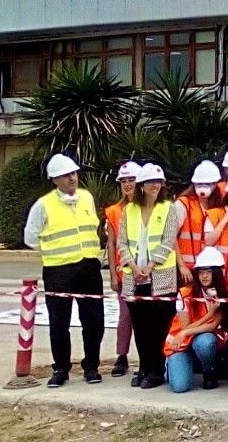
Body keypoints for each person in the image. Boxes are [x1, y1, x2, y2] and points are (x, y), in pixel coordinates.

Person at [24, 153, 105, 387]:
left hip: (89, 267)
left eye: (74, 173)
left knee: (94, 321)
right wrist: (54, 250)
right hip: (58, 270)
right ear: (55, 180)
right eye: (66, 175)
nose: (72, 178)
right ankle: (61, 369)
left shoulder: (87, 198)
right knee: (59, 323)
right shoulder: (43, 205)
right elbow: (31, 237)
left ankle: (92, 366)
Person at [117, 163, 180, 389]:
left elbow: (168, 241)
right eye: (150, 182)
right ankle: (144, 366)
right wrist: (134, 268)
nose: (155, 186)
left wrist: (151, 266)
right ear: (141, 186)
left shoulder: (169, 208)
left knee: (159, 326)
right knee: (140, 327)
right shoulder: (128, 211)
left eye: (158, 182)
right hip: (134, 279)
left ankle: (156, 370)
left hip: (161, 277)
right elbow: (121, 243)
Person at [165, 246, 228, 393]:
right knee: (179, 387)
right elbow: (185, 327)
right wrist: (184, 333)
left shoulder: (224, 293)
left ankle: (208, 370)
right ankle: (171, 365)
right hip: (181, 342)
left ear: (217, 272)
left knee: (205, 342)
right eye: (201, 272)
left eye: (208, 271)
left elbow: (213, 325)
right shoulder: (185, 293)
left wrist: (187, 332)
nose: (204, 276)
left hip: (201, 338)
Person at [105, 161, 139, 378]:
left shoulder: (149, 208)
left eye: (131, 180)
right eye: (123, 181)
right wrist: (112, 274)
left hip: (147, 272)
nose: (127, 185)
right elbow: (111, 243)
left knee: (146, 318)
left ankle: (149, 356)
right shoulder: (114, 211)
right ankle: (122, 356)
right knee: (125, 316)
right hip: (124, 272)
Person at [175, 161, 224, 284]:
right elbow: (170, 236)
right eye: (200, 184)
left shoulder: (218, 206)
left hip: (207, 271)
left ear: (215, 184)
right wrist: (181, 266)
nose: (204, 187)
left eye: (208, 184)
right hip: (186, 271)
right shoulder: (183, 204)